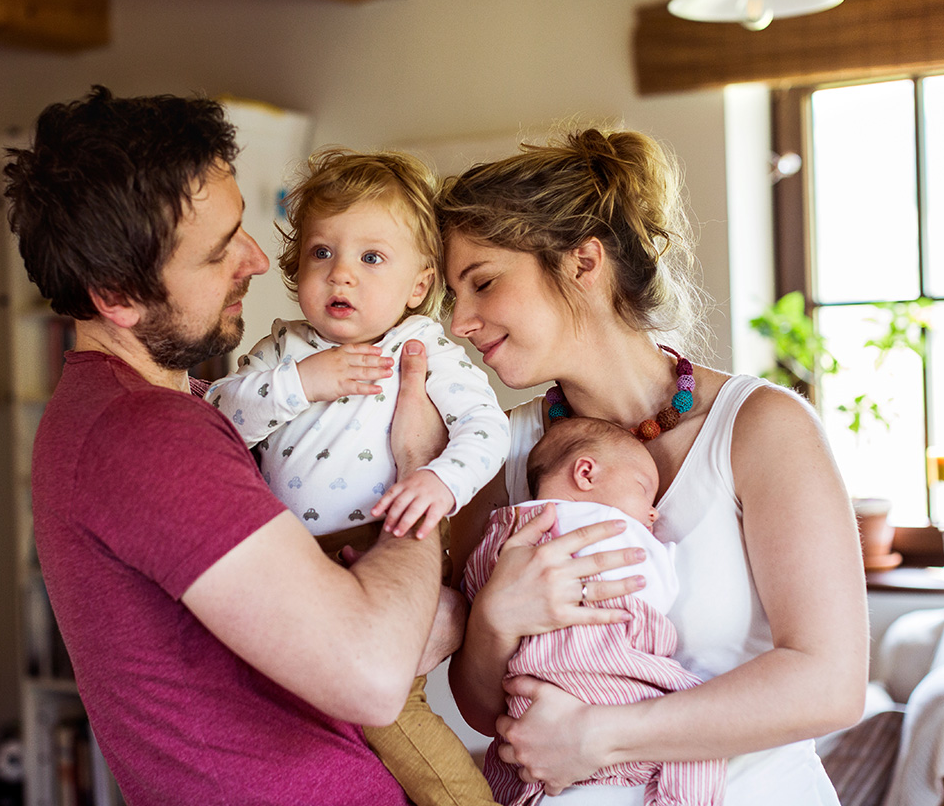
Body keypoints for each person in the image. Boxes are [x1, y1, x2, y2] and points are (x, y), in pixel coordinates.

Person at [1, 85, 473, 806]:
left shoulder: (138, 411)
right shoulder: (143, 435)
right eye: (221, 251)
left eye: (244, 231)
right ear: (118, 295)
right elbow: (372, 677)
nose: (257, 261)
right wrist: (418, 470)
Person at [438, 126, 869, 805]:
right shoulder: (493, 452)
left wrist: (603, 736)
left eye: (483, 282)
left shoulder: (760, 429)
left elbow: (830, 683)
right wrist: (493, 622)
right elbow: (482, 706)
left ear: (585, 263)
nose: (459, 321)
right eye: (450, 296)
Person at [206, 147, 509, 806]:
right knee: (287, 722)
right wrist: (299, 385)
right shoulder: (284, 352)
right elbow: (217, 416)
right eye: (322, 253)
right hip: (290, 568)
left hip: (383, 558)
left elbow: (489, 431)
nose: (341, 273)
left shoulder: (421, 352)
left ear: (419, 284)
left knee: (395, 718)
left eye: (371, 258)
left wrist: (439, 481)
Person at [463, 416, 725, 806]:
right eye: (643, 491)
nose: (652, 514)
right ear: (585, 473)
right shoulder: (610, 526)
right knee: (702, 719)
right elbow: (656, 592)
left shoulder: (502, 533)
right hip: (604, 679)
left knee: (505, 762)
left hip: (527, 703)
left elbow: (472, 583)